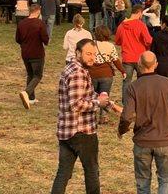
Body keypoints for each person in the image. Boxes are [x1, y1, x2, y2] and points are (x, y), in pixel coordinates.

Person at [50, 38, 121, 194]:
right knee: (92, 171)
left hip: (66, 132)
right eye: (88, 54)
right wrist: (99, 103)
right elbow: (77, 104)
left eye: (94, 54)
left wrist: (109, 103)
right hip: (81, 131)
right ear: (78, 53)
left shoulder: (71, 68)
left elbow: (88, 94)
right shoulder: (78, 73)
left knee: (63, 173)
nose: (92, 58)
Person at [118, 51, 168, 194]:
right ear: (156, 64)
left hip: (143, 142)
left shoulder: (133, 87)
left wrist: (121, 130)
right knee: (166, 180)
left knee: (143, 183)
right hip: (165, 140)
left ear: (139, 64)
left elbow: (126, 117)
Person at [115, 5, 153, 105]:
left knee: (126, 82)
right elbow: (149, 40)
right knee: (142, 81)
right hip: (140, 57)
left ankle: (126, 103)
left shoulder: (121, 26)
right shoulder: (141, 25)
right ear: (140, 13)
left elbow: (117, 41)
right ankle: (142, 101)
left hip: (127, 57)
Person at [16, 4, 49, 109]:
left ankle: (31, 98)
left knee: (30, 74)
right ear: (38, 11)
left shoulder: (21, 23)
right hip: (37, 53)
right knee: (38, 75)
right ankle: (26, 93)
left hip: (25, 53)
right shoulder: (40, 24)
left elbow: (17, 39)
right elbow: (45, 39)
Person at [91, 25, 126, 124]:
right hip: (106, 74)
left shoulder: (91, 44)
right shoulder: (110, 46)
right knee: (105, 96)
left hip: (92, 73)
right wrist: (123, 71)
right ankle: (103, 117)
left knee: (91, 96)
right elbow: (116, 60)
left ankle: (91, 116)